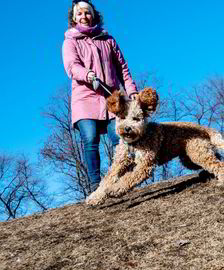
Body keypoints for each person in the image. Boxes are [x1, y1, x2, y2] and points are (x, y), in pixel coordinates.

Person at [62, 0, 137, 193]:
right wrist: (86, 75)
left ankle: (120, 180)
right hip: (85, 98)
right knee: (90, 138)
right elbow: (72, 66)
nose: (83, 16)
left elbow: (123, 69)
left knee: (119, 138)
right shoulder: (70, 41)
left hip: (111, 98)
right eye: (79, 13)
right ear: (73, 17)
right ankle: (95, 185)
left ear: (94, 15)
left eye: (87, 12)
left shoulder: (108, 40)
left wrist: (132, 92)